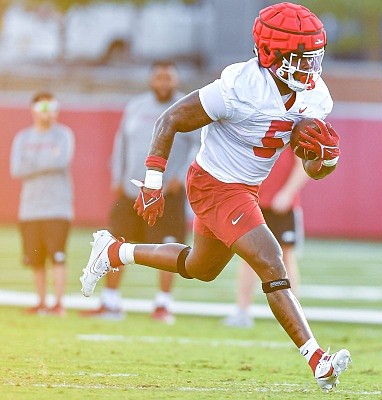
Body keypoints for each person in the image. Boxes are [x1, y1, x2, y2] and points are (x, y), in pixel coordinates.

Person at [79, 2, 350, 391]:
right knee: (271, 261)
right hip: (214, 184)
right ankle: (317, 360)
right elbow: (169, 119)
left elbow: (312, 168)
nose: (310, 68)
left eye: (313, 58)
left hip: (245, 188)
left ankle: (113, 252)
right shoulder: (240, 87)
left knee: (199, 268)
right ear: (273, 54)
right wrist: (153, 182)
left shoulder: (314, 97)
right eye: (300, 58)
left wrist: (323, 160)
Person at [79, 60, 197, 323]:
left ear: (176, 80)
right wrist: (118, 176)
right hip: (132, 191)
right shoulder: (136, 106)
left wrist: (180, 177)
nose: (164, 82)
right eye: (159, 77)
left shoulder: (187, 106)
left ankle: (163, 304)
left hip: (167, 193)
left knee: (168, 245)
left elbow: (197, 145)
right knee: (115, 241)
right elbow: (121, 141)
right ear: (151, 79)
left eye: (169, 77)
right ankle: (110, 301)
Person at [223, 147, 308, 328]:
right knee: (248, 257)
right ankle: (242, 312)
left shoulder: (292, 125)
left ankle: (293, 316)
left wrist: (287, 192)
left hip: (283, 205)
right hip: (253, 201)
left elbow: (303, 166)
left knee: (286, 257)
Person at [9, 91, 75, 316]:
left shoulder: (63, 135)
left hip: (57, 208)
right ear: (34, 110)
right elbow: (17, 169)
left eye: (52, 108)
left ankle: (58, 303)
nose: (48, 114)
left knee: (57, 256)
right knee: (35, 259)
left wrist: (33, 163)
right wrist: (46, 161)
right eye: (43, 108)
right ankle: (40, 301)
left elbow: (61, 161)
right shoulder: (23, 138)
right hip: (30, 209)